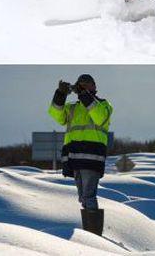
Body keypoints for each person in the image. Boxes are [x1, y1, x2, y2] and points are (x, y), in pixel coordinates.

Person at [48, 74, 113, 236]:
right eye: (80, 85)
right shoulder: (72, 107)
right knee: (83, 198)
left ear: (93, 86)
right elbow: (56, 115)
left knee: (89, 196)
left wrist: (84, 95)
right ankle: (90, 234)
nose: (82, 87)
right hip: (75, 158)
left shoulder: (104, 105)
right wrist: (60, 94)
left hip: (91, 158)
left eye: (85, 85)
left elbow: (99, 117)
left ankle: (94, 235)